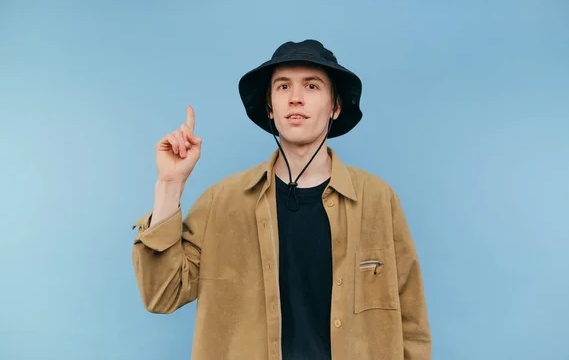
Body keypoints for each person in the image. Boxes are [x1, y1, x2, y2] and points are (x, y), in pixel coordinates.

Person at [131, 39, 432, 360]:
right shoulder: (222, 201)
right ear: (271, 107)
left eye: (312, 86)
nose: (296, 98)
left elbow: (411, 325)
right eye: (283, 86)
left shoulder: (377, 199)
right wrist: (169, 183)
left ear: (335, 106)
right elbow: (161, 295)